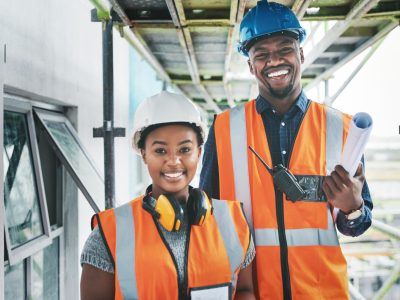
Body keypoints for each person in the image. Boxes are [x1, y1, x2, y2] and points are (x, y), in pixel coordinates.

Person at [199, 1, 373, 299]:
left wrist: (352, 207)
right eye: (262, 54)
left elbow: (357, 224)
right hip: (250, 293)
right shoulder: (224, 128)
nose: (274, 61)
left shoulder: (342, 129)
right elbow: (206, 219)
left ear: (301, 53)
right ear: (250, 65)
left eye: (284, 49)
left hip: (323, 293)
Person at [80, 91, 256, 300]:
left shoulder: (234, 222)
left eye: (185, 149)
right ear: (144, 154)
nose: (173, 161)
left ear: (199, 153)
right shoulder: (109, 233)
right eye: (160, 151)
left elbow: (245, 291)